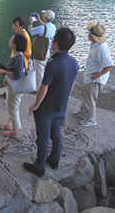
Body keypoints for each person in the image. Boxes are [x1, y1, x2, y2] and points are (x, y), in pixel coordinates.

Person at [24, 28, 79, 177]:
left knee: (42, 138)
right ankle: (54, 160)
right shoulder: (74, 62)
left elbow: (43, 88)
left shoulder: (53, 65)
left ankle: (39, 167)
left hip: (46, 109)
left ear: (55, 43)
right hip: (61, 107)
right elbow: (72, 84)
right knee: (56, 134)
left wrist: (36, 105)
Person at [73, 22, 114, 127]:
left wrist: (98, 75)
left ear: (92, 35)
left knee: (90, 99)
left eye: (89, 33)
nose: (87, 34)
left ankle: (91, 119)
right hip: (90, 77)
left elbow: (109, 65)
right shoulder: (95, 45)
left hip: (94, 80)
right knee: (86, 94)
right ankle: (83, 112)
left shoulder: (101, 48)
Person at [0, 33, 27, 139]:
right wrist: (6, 77)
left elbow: (17, 75)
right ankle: (9, 124)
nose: (10, 40)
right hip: (12, 85)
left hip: (16, 88)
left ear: (15, 44)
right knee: (10, 106)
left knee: (13, 108)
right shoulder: (15, 54)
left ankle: (14, 132)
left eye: (12, 39)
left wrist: (4, 71)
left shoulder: (19, 58)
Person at [28, 10, 57, 90]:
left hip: (40, 51)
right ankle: (39, 86)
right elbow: (45, 27)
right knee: (41, 69)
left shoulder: (41, 28)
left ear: (45, 18)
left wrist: (31, 23)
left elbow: (30, 31)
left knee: (39, 71)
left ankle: (38, 89)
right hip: (46, 51)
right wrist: (39, 20)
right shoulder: (53, 27)